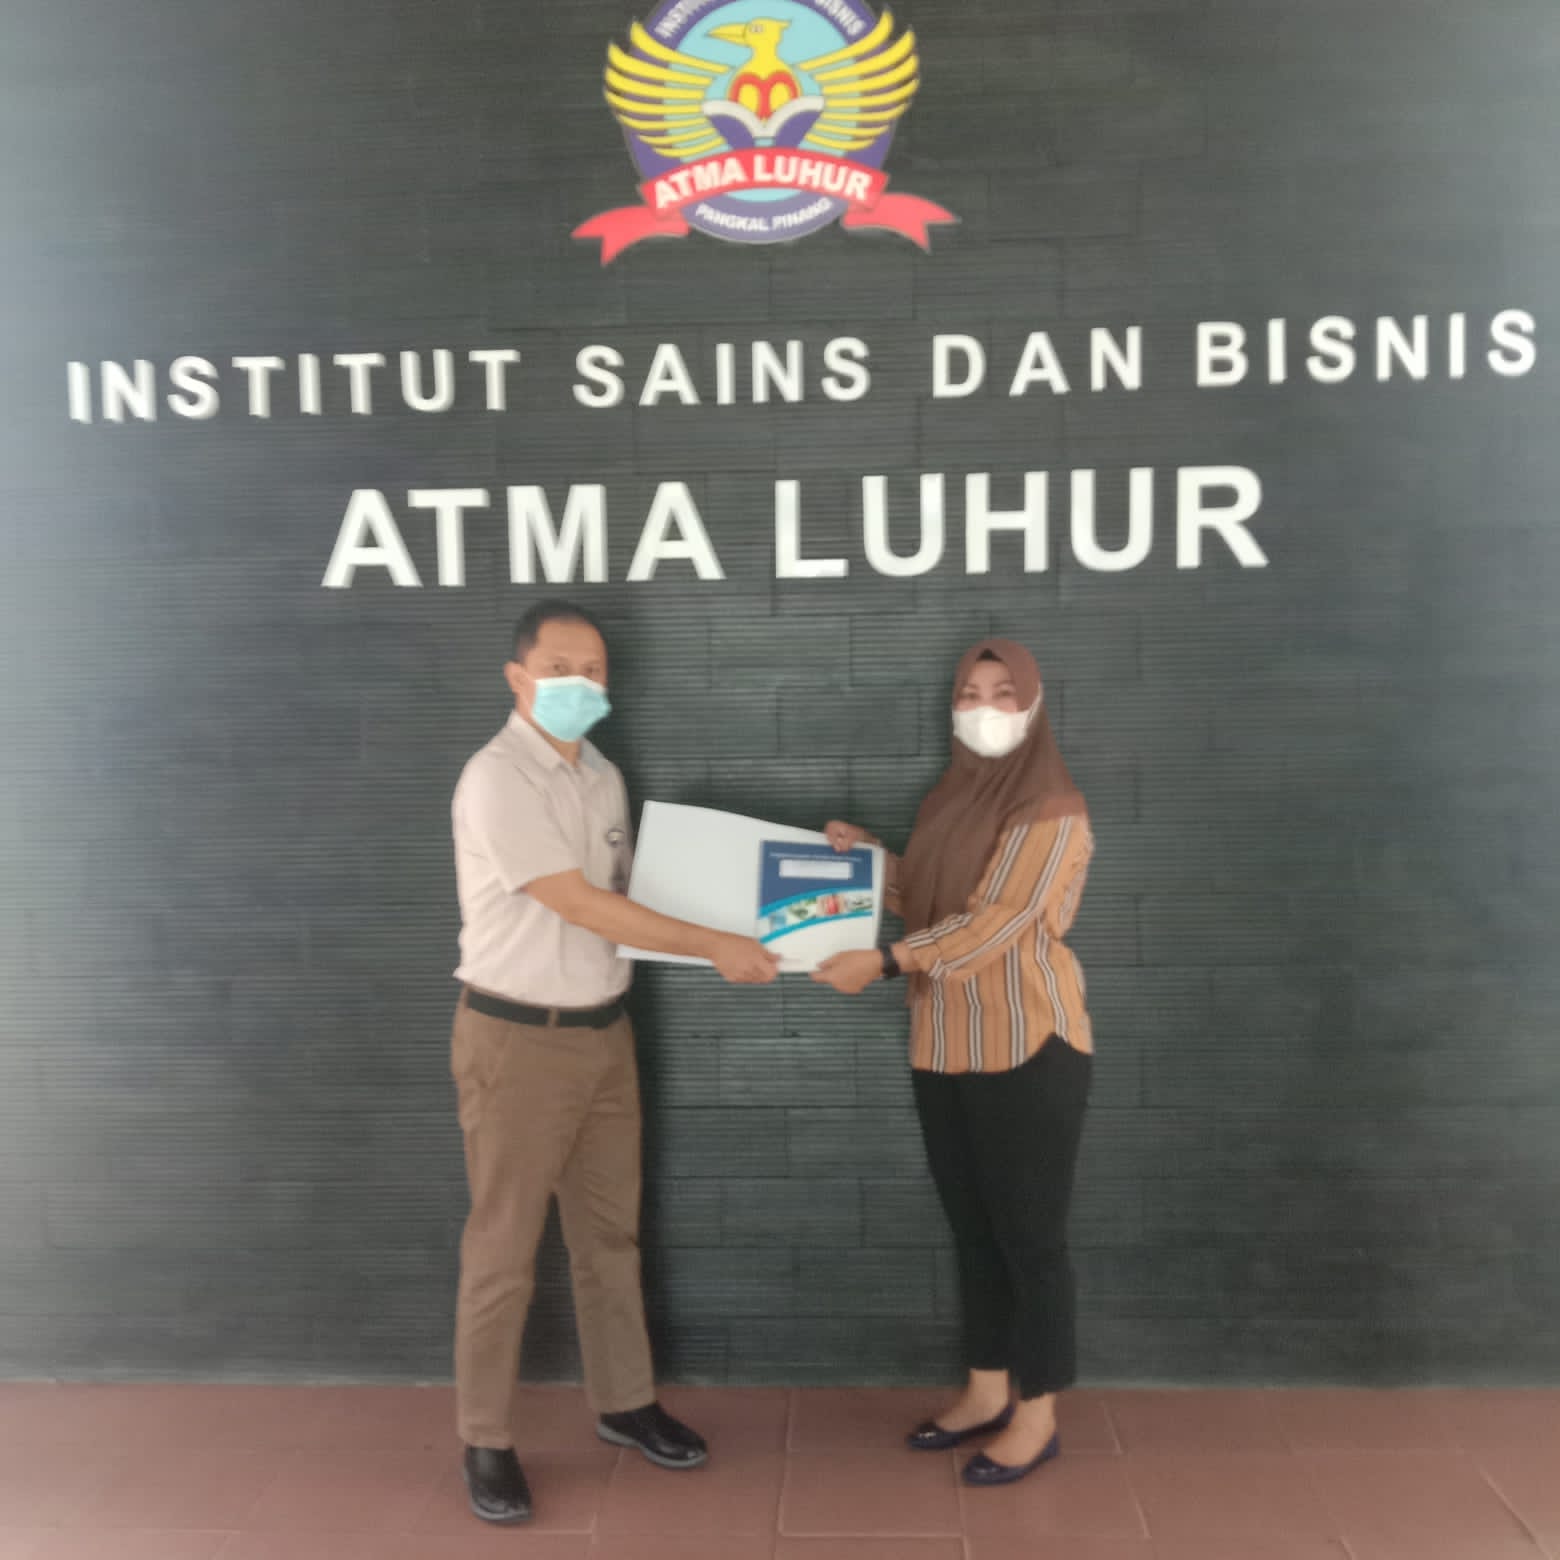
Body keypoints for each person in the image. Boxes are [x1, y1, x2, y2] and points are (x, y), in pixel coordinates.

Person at [449, 599, 780, 1525]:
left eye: (593, 670)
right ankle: (486, 1438)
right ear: (518, 677)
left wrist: (792, 885)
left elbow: (634, 891)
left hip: (603, 1032)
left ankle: (624, 1403)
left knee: (609, 1238)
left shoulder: (601, 774)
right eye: (559, 668)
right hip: (516, 1039)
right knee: (504, 1249)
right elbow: (579, 904)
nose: (579, 683)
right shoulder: (497, 778)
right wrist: (716, 943)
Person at [812, 637, 1094, 1488]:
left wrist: (886, 962)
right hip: (942, 1044)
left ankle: (1037, 1416)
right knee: (973, 1231)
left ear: (1034, 705)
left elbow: (999, 920)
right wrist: (868, 860)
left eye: (1004, 693)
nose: (984, 708)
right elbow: (934, 900)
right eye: (969, 693)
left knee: (1029, 1239)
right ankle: (985, 1391)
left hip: (1026, 1045)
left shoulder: (1052, 807)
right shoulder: (950, 798)